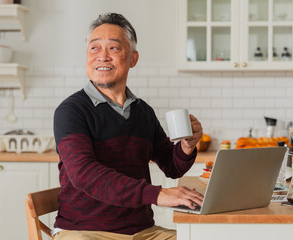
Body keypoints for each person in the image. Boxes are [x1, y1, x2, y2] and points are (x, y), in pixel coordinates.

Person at [52, 12, 203, 240]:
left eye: (113, 48)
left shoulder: (143, 112)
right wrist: (158, 194)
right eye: (94, 48)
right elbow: (84, 174)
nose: (102, 56)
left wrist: (186, 146)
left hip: (143, 232)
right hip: (84, 231)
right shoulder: (71, 111)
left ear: (133, 58)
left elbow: (172, 167)